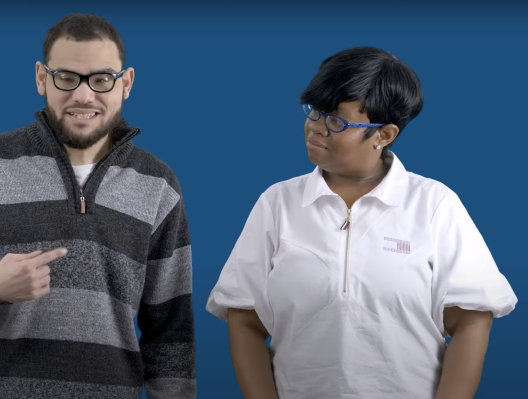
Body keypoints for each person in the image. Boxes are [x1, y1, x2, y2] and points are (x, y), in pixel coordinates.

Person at [206, 46, 517, 399]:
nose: (316, 128)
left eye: (336, 120)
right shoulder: (277, 204)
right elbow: (244, 318)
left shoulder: (434, 205)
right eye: (315, 111)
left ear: (383, 135)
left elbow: (471, 320)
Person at [0, 13, 195, 399]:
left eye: (102, 79)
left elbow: (171, 335)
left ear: (126, 84)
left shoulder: (159, 184)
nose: (83, 95)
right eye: (66, 77)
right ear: (42, 78)